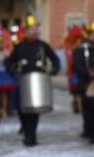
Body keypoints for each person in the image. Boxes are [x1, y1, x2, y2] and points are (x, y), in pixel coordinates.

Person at [6, 15, 60, 146]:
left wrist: (52, 71)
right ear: (26, 31)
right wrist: (14, 70)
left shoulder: (42, 45)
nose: (35, 31)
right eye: (32, 29)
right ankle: (26, 131)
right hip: (23, 81)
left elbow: (55, 59)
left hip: (38, 81)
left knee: (34, 110)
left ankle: (31, 137)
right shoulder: (20, 46)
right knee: (22, 109)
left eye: (36, 28)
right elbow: (9, 62)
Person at [72, 22, 94, 143]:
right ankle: (90, 132)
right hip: (86, 82)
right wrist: (88, 72)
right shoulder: (81, 50)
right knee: (88, 109)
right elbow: (76, 65)